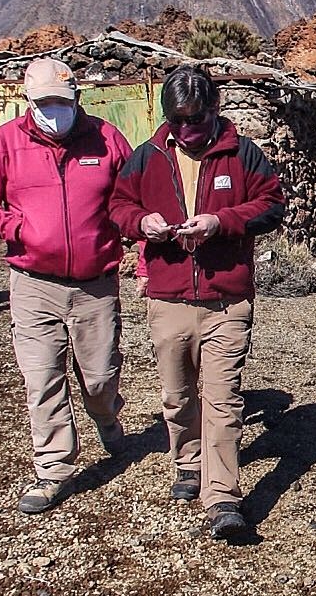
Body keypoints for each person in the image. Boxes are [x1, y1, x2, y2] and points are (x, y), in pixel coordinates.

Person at [109, 68, 286, 542]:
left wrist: (221, 222)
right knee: (179, 393)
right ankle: (187, 463)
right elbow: (117, 207)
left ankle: (222, 495)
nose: (186, 130)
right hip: (168, 297)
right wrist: (139, 222)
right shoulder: (147, 157)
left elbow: (272, 206)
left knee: (224, 400)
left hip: (227, 299)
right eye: (177, 120)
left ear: (215, 108)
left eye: (196, 119)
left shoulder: (243, 152)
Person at [0, 57, 132, 515]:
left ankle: (107, 417)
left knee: (99, 377)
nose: (54, 110)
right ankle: (53, 468)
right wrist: (15, 226)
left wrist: (127, 236)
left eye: (62, 101)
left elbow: (131, 196)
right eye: (43, 102)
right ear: (28, 102)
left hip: (96, 284)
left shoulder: (106, 138)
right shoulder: (4, 142)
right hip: (33, 283)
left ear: (77, 99)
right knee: (42, 376)